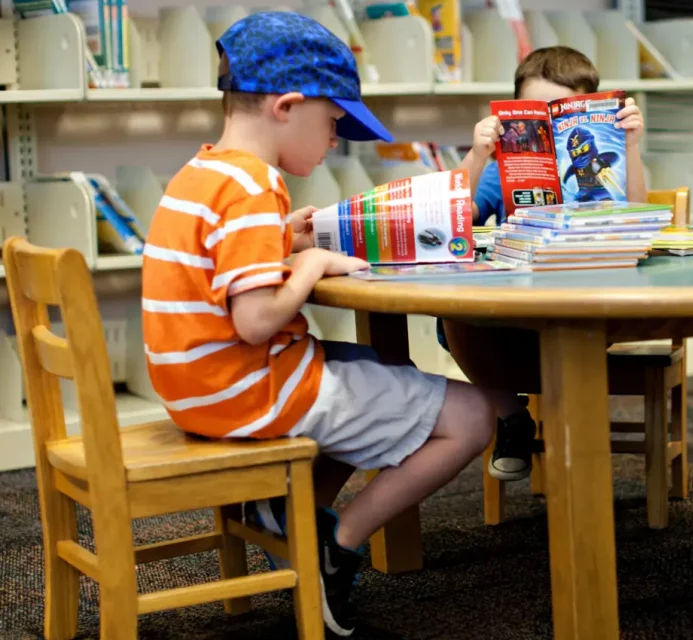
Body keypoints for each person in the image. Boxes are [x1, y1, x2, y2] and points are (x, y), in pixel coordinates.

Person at [139, 13, 495, 636]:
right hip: (253, 391)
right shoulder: (253, 186)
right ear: (287, 107)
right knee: (473, 418)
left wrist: (283, 241)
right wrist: (311, 263)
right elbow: (254, 320)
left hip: (200, 391)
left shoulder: (202, 174)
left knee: (390, 368)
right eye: (333, 125)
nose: (336, 142)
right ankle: (341, 545)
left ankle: (290, 506)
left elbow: (219, 273)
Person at [445, 46, 648, 481]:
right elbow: (453, 220)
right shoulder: (501, 169)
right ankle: (512, 415)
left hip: (590, 312)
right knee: (451, 319)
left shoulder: (608, 156)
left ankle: (535, 425)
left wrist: (629, 144)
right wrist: (479, 156)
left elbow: (637, 216)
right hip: (513, 315)